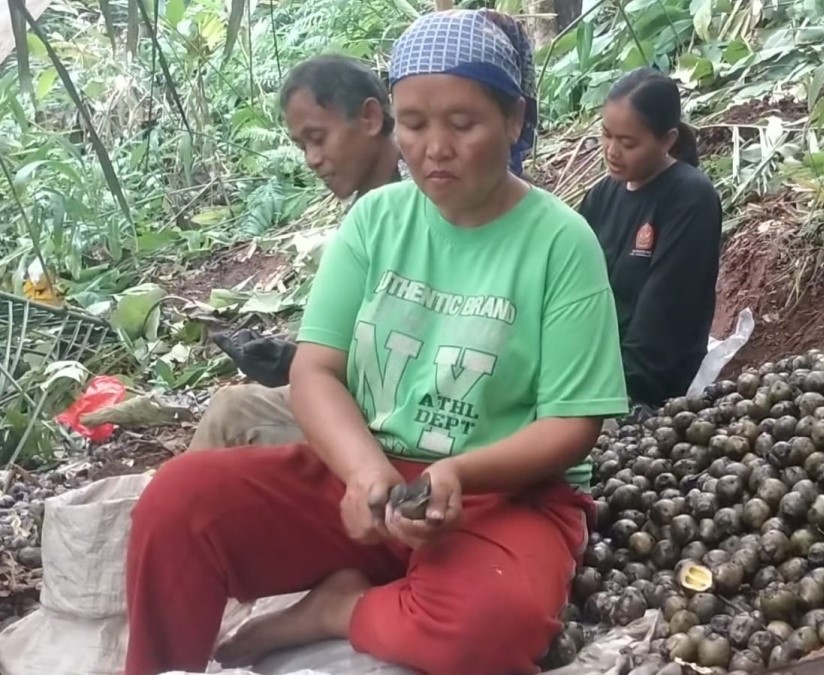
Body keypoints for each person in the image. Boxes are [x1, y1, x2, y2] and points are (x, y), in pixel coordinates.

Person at [122, 9, 628, 675]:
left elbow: (572, 423)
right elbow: (316, 371)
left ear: (514, 120)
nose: (433, 148)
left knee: (487, 623)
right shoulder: (374, 220)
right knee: (178, 502)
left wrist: (458, 473)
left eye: (463, 123)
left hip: (504, 494)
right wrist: (364, 471)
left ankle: (337, 610)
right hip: (373, 474)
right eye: (414, 124)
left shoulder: (561, 242)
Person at [190, 54, 408, 452]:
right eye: (301, 144)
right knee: (231, 408)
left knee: (232, 415)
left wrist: (302, 366)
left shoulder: (416, 202)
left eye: (318, 138)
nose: (311, 159)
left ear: (371, 118)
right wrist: (291, 359)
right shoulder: (369, 208)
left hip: (400, 419)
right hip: (373, 398)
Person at [579, 67, 723, 410]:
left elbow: (666, 314)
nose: (612, 151)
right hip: (588, 369)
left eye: (628, 143)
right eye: (606, 135)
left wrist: (619, 391)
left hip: (646, 385)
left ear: (668, 140)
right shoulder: (601, 195)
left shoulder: (691, 198)